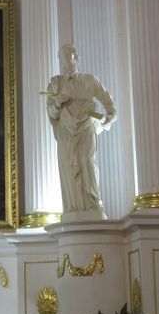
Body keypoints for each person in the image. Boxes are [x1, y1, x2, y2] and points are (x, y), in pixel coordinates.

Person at [46, 44, 116, 218]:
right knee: (69, 167)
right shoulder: (54, 84)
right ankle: (72, 209)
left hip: (85, 127)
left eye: (68, 56)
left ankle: (92, 205)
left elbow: (108, 102)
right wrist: (57, 103)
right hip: (65, 131)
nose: (65, 61)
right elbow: (51, 113)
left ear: (75, 58)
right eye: (62, 57)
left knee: (87, 162)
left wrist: (110, 115)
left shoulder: (89, 80)